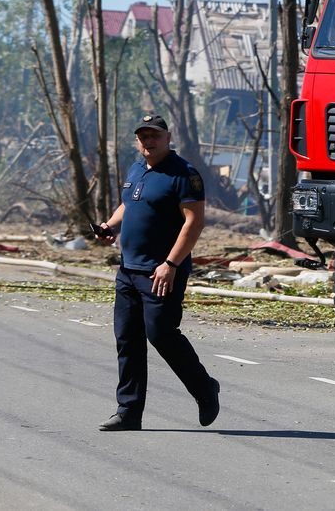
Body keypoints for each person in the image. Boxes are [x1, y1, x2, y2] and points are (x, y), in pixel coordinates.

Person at [95, 113, 219, 432]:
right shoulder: (137, 169)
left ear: (168, 137)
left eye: (155, 135)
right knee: (128, 339)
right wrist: (110, 225)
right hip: (128, 269)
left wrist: (171, 264)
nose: (148, 141)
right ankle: (128, 410)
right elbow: (128, 203)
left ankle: (204, 389)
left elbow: (194, 222)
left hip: (162, 272)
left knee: (161, 334)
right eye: (143, 136)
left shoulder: (184, 174)